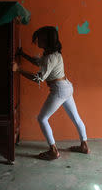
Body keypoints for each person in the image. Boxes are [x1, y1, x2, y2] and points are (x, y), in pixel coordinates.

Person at [12, 26, 90, 160]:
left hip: (59, 89)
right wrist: (23, 55)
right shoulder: (54, 54)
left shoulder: (49, 58)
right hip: (66, 86)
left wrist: (18, 69)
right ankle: (84, 145)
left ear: (47, 40)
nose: (37, 41)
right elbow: (39, 62)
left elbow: (39, 78)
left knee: (42, 118)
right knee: (76, 117)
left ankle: (53, 151)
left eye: (40, 38)